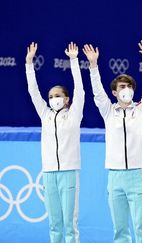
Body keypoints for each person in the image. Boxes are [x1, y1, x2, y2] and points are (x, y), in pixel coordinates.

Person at [82, 40, 142, 243]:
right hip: (115, 176)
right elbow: (97, 92)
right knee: (120, 229)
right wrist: (93, 66)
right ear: (115, 92)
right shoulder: (108, 112)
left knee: (141, 229)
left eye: (129, 87)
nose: (126, 89)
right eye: (122, 87)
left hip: (136, 175)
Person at [26, 42, 84, 243]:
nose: (53, 99)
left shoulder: (74, 115)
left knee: (70, 224)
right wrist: (28, 63)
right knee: (54, 224)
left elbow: (80, 89)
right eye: (50, 96)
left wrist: (74, 61)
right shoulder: (45, 115)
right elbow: (33, 92)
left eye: (57, 96)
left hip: (69, 172)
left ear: (66, 99)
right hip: (49, 173)